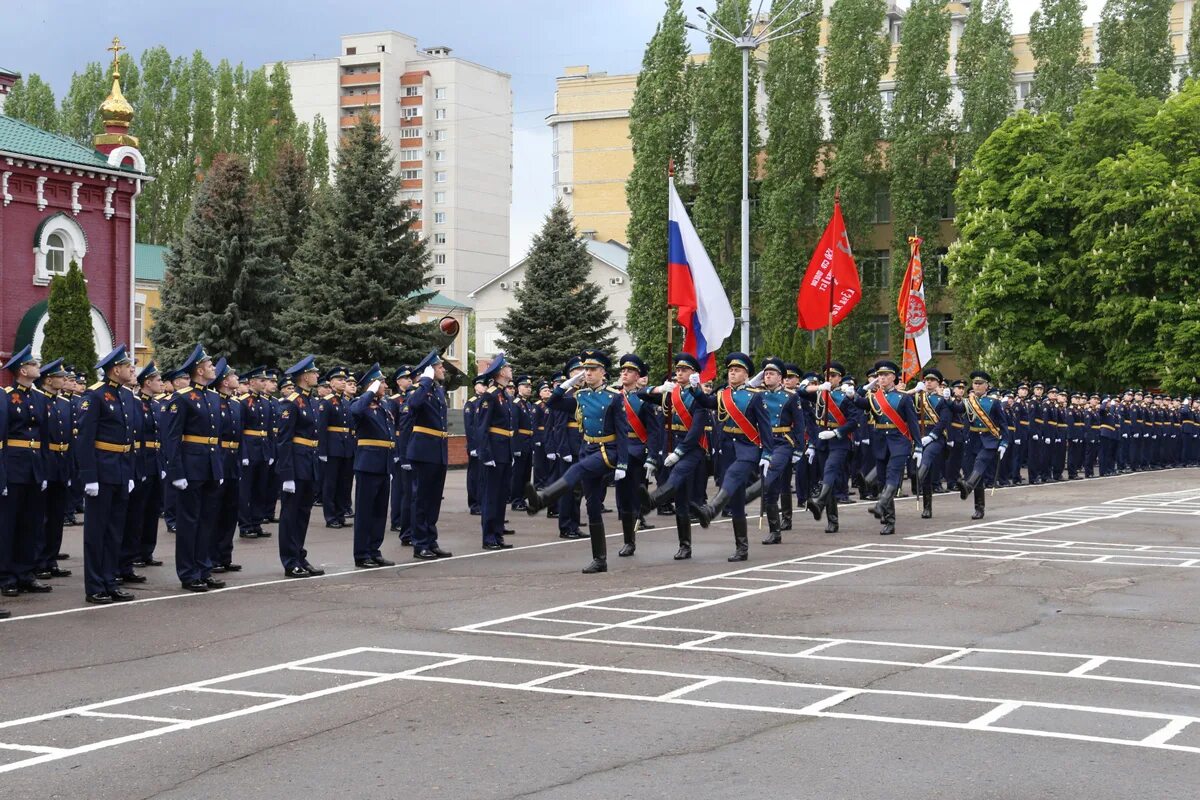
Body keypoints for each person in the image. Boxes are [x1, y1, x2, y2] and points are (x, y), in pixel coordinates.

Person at [524, 350, 629, 573]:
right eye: (586, 370)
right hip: (587, 447)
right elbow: (553, 403)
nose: (588, 373)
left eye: (592, 370)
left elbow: (622, 431)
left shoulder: (614, 397)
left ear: (603, 372)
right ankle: (599, 559)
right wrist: (567, 383)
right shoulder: (580, 396)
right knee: (591, 506)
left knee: (578, 469)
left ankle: (544, 498)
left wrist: (622, 463)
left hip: (606, 450)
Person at [691, 353, 771, 562]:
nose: (732, 373)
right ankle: (741, 548)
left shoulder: (755, 396)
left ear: (746, 374)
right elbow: (707, 402)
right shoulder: (722, 394)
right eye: (730, 370)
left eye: (737, 370)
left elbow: (765, 427)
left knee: (733, 477)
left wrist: (768, 454)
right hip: (727, 450)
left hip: (748, 449)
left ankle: (711, 509)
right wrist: (695, 389)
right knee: (736, 501)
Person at [76, 345, 138, 604]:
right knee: (96, 532)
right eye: (127, 366)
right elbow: (84, 439)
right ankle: (95, 586)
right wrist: (89, 476)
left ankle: (110, 580)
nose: (131, 369)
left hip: (121, 469)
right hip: (101, 470)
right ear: (115, 369)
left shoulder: (126, 396)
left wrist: (131, 471)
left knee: (115, 531)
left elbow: (130, 438)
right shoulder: (95, 396)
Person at [163, 345, 226, 592]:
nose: (213, 369)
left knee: (207, 521)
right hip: (190, 467)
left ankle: (204, 567)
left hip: (210, 467)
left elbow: (215, 439)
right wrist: (176, 473)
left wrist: (218, 469)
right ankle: (188, 573)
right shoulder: (181, 398)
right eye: (210, 366)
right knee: (189, 522)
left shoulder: (212, 397)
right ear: (199, 370)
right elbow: (171, 439)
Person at [636, 354, 709, 560]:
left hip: (691, 448)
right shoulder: (671, 392)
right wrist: (658, 389)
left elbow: (696, 430)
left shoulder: (699, 396)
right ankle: (685, 545)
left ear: (694, 373)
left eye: (684, 370)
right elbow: (641, 393)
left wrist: (679, 452)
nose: (679, 373)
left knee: (675, 478)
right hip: (672, 444)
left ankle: (651, 501)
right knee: (682, 501)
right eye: (677, 370)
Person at [0, 345, 53, 599]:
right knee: (8, 523)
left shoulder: (39, 398)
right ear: (23, 369)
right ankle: (6, 576)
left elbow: (43, 438)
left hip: (33, 467)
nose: (37, 366)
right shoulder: (7, 397)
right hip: (13, 464)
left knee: (31, 523)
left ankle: (25, 573)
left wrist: (42, 471)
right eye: (34, 363)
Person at [853, 360, 921, 536]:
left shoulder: (904, 398)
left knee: (893, 475)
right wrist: (867, 386)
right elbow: (856, 401)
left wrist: (919, 446)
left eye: (885, 375)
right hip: (881, 442)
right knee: (883, 480)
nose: (881, 378)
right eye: (879, 376)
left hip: (899, 442)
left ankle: (880, 505)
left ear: (893, 378)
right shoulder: (874, 397)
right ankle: (889, 520)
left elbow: (913, 424)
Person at [275, 356, 326, 578]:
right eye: (314, 373)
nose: (317, 375)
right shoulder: (291, 402)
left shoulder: (311, 401)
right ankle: (289, 561)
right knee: (290, 515)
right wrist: (286, 475)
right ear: (305, 376)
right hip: (295, 465)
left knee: (303, 514)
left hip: (308, 463)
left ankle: (299, 556)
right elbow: (284, 440)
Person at [800, 361, 859, 534]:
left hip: (839, 442)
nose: (830, 378)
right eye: (827, 376)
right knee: (829, 480)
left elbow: (854, 422)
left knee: (830, 471)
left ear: (840, 378)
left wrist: (836, 432)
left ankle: (819, 502)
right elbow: (800, 392)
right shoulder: (819, 394)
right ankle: (832, 520)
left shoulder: (845, 396)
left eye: (833, 376)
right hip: (821, 442)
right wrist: (816, 388)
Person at [405, 351, 453, 560]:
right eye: (439, 366)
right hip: (423, 450)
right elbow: (413, 406)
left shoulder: (438, 391)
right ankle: (419, 543)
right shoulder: (418, 389)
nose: (443, 369)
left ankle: (431, 540)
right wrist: (424, 381)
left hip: (438, 449)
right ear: (430, 370)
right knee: (421, 499)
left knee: (434, 500)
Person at [350, 363, 397, 568]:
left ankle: (374, 550)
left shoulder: (384, 405)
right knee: (365, 512)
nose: (385, 385)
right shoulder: (360, 403)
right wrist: (368, 392)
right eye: (381, 382)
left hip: (384, 464)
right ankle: (362, 554)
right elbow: (356, 411)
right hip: (367, 464)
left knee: (379, 512)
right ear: (371, 385)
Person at [612, 354, 659, 557]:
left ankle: (630, 540)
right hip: (618, 452)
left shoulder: (644, 399)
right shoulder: (613, 396)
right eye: (622, 370)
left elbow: (654, 431)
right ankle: (627, 538)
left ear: (637, 375)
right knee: (622, 499)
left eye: (629, 371)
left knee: (633, 498)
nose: (624, 373)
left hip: (638, 453)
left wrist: (651, 457)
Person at [33, 359, 73, 581]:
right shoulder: (40, 401)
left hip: (61, 462)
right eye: (60, 377)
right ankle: (39, 561)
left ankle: (51, 558)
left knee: (57, 515)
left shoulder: (65, 404)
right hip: (45, 462)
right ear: (48, 379)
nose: (64, 380)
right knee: (42, 516)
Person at [758, 357, 804, 544]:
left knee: (769, 479)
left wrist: (799, 449)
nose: (768, 376)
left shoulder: (791, 396)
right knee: (773, 489)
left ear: (780, 377)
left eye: (772, 374)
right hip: (765, 442)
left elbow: (800, 425)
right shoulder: (758, 395)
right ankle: (775, 531)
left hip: (783, 442)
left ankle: (786, 518)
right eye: (766, 373)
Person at [953, 370, 1010, 519]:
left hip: (989, 441)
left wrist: (1004, 442)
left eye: (980, 384)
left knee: (980, 463)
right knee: (975, 473)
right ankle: (979, 508)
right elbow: (955, 408)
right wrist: (949, 398)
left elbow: (1004, 425)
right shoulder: (967, 402)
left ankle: (967, 486)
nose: (977, 386)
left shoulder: (994, 403)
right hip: (972, 441)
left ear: (987, 386)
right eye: (975, 384)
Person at [474, 353, 516, 551]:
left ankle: (497, 534)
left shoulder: (504, 395)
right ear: (500, 372)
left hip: (504, 451)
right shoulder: (490, 396)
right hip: (494, 451)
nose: (511, 370)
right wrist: (486, 454)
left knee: (501, 495)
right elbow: (482, 427)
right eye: (508, 367)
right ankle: (489, 536)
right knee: (491, 496)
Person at [129, 362, 165, 569]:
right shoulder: (135, 403)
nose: (161, 384)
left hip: (155, 461)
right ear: (147, 383)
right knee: (138, 510)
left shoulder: (156, 405)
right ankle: (133, 553)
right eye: (158, 380)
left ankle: (147, 550)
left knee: (152, 509)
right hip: (141, 460)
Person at [210, 359, 243, 575]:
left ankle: (225, 555)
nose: (237, 379)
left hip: (233, 460)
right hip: (219, 457)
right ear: (223, 381)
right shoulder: (214, 403)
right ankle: (212, 557)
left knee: (231, 510)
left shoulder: (236, 404)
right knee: (215, 511)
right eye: (233, 376)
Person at [909, 368, 952, 519]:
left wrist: (932, 436)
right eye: (926, 380)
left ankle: (919, 477)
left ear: (938, 383)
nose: (928, 382)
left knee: (926, 459)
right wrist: (914, 390)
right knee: (923, 472)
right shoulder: (917, 397)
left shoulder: (942, 400)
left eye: (932, 380)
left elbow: (944, 421)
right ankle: (927, 507)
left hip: (936, 437)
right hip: (919, 436)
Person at [238, 366, 275, 539]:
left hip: (263, 449)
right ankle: (245, 525)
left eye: (265, 380)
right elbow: (240, 431)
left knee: (261, 488)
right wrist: (243, 454)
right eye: (262, 380)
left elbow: (268, 431)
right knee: (246, 489)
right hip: (249, 449)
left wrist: (271, 452)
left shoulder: (266, 402)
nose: (265, 383)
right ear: (252, 382)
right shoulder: (243, 402)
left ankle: (256, 522)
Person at [318, 367, 355, 528]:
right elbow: (321, 428)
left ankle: (340, 515)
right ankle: (330, 516)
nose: (343, 382)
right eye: (340, 380)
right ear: (332, 384)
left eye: (344, 380)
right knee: (330, 483)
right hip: (332, 447)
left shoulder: (346, 402)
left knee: (344, 483)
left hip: (346, 447)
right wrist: (322, 451)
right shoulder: (326, 402)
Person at [509, 375, 535, 511]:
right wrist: (515, 447)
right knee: (518, 474)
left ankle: (523, 499)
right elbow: (514, 427)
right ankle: (516, 500)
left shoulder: (527, 404)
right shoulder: (516, 404)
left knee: (526, 473)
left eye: (530, 386)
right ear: (519, 388)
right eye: (526, 386)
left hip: (528, 443)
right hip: (520, 442)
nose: (529, 388)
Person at [463, 377, 486, 516]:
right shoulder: (471, 404)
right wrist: (472, 447)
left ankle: (483, 503)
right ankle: (475, 504)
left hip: (485, 445)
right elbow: (469, 427)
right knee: (475, 476)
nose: (484, 387)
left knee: (484, 477)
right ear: (476, 387)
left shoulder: (486, 402)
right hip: (476, 446)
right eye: (482, 385)